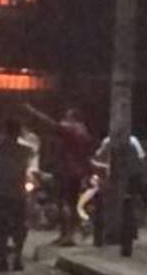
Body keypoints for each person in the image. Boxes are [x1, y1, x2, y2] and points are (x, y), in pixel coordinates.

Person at [20, 104, 94, 246]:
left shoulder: (72, 129)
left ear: (73, 118)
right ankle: (70, 234)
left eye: (67, 117)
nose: (64, 119)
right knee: (72, 203)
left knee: (64, 203)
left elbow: (51, 124)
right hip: (78, 171)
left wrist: (33, 111)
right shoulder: (84, 132)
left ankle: (67, 235)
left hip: (67, 170)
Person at [0, 118, 34, 271]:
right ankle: (18, 258)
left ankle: (3, 260)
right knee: (20, 226)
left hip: (2, 192)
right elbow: (28, 168)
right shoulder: (26, 150)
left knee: (2, 227)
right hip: (19, 193)